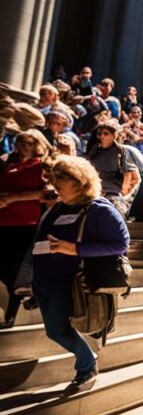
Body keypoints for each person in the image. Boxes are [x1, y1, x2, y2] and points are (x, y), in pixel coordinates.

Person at [31, 156, 129, 393]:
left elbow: (121, 243)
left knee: (56, 330)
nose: (56, 187)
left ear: (79, 182)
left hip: (71, 282)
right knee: (55, 329)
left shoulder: (100, 209)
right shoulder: (58, 208)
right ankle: (87, 363)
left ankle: (87, 365)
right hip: (44, 280)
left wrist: (74, 248)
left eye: (61, 182)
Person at [0, 131, 50, 328]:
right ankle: (31, 292)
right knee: (6, 270)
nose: (23, 147)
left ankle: (11, 315)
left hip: (26, 223)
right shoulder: (7, 164)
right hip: (3, 222)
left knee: (17, 268)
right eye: (20, 143)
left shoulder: (40, 166)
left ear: (36, 145)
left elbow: (46, 193)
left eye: (28, 144)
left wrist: (12, 198)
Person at [85, 120, 139, 208]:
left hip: (114, 196)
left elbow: (135, 178)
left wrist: (124, 194)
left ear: (114, 136)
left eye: (106, 134)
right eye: (100, 134)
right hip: (95, 194)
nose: (102, 136)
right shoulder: (94, 151)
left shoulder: (122, 152)